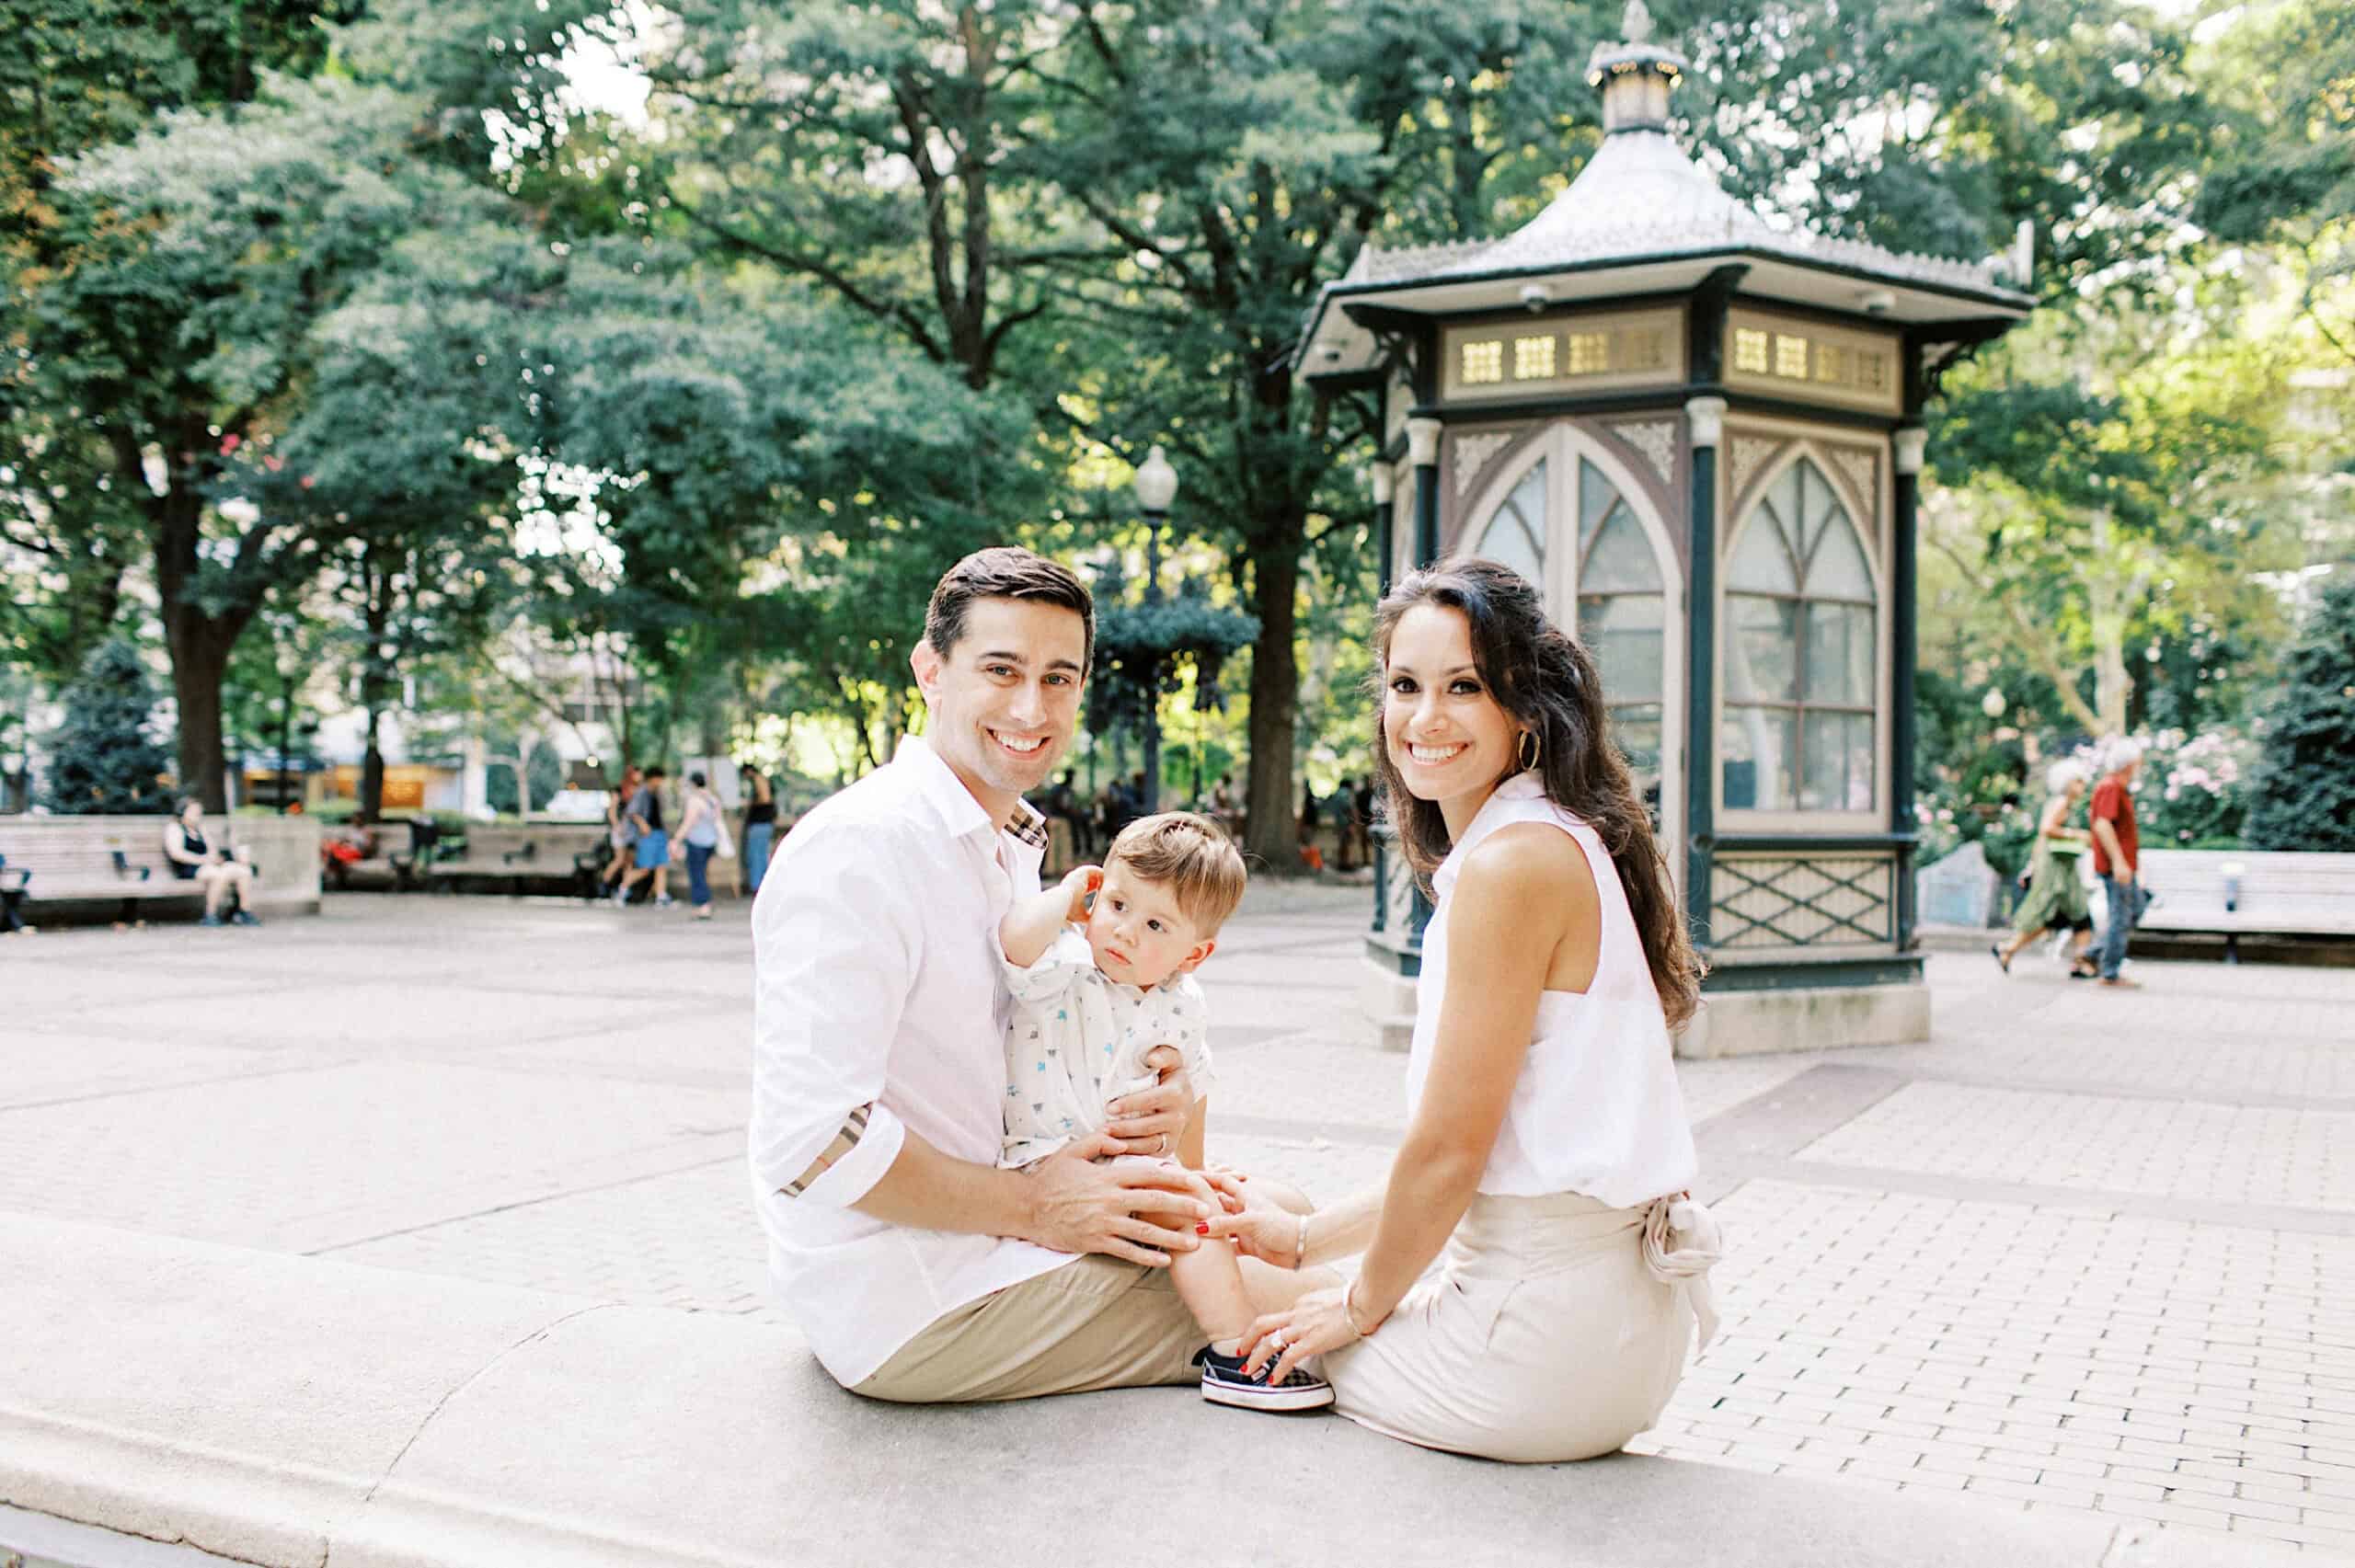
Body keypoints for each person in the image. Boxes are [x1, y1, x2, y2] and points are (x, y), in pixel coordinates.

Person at [1205, 558, 1723, 1462]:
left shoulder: (1507, 866)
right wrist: (1303, 1237)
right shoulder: (1555, 838)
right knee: (1273, 1254)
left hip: (1532, 1355)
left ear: (1524, 711)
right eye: (1405, 685)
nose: (1424, 718)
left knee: (1232, 1301)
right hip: (1607, 1335)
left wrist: (1358, 1307)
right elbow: (1477, 1160)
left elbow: (1450, 1154)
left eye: (1464, 687)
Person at [752, 546, 1286, 1404]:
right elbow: (811, 1140)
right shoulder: (861, 850)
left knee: (1266, 1213)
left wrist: (1161, 1100)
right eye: (1000, 670)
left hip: (999, 1241)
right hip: (918, 1298)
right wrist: (1037, 1204)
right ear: (931, 670)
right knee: (1318, 1302)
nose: (1032, 707)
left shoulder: (1006, 849)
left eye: (1059, 677)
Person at [997, 810, 1329, 1411]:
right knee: (1192, 1215)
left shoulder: (1180, 1001)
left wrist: (1193, 1172)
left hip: (1122, 1167)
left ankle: (1280, 1286)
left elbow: (1191, 1084)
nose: (1124, 932)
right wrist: (1070, 894)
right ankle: (1233, 1352)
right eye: (1118, 905)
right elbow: (1015, 941)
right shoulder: (1067, 966)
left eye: (1154, 923)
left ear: (1194, 954)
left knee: (1266, 1201)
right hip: (1049, 1166)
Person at [1993, 760, 2097, 979]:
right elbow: (2046, 829)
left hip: (2056, 867)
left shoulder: (2060, 803)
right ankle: (2080, 961)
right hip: (2057, 870)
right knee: (2073, 914)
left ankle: (2008, 948)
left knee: (2056, 918)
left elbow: (2041, 838)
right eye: (2078, 781)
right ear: (2067, 783)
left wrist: (2032, 865)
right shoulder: (2060, 803)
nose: (2082, 787)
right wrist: (2076, 834)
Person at [2089, 739, 2150, 990]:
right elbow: (2102, 823)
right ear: (2129, 763)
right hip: (2118, 867)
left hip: (2124, 865)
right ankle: (2110, 972)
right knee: (2121, 917)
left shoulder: (2118, 787)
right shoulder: (2111, 787)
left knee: (2135, 906)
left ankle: (2093, 952)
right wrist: (2119, 862)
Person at [162, 798, 259, 927]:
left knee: (243, 871)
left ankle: (243, 911)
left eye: (199, 812)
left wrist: (213, 858)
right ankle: (210, 915)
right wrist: (203, 860)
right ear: (182, 812)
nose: (197, 815)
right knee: (217, 874)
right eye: (193, 812)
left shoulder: (200, 828)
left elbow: (212, 848)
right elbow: (176, 853)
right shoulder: (174, 828)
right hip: (188, 867)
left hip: (208, 865)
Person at [613, 765, 673, 909]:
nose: (661, 782)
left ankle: (660, 897)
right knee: (644, 869)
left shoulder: (657, 793)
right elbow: (631, 812)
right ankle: (622, 891)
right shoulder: (642, 792)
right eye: (659, 779)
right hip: (647, 835)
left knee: (661, 866)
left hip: (660, 833)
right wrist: (642, 824)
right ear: (653, 778)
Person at [678, 771, 724, 921]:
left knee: (696, 874)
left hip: (696, 841)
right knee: (702, 873)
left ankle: (703, 906)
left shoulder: (694, 800)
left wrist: (676, 839)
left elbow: (689, 822)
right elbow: (717, 819)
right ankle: (704, 904)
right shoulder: (712, 799)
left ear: (692, 783)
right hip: (710, 841)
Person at [599, 763, 643, 894]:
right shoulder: (619, 790)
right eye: (637, 773)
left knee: (629, 861)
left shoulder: (640, 791)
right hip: (621, 829)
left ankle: (624, 889)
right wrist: (617, 826)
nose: (639, 776)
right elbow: (612, 811)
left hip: (633, 831)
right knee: (619, 859)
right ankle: (604, 885)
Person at [740, 764, 778, 894]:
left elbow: (765, 798)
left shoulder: (758, 779)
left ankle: (757, 886)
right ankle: (763, 885)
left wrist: (749, 804)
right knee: (761, 854)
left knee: (756, 855)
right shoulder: (762, 779)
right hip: (765, 823)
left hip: (760, 822)